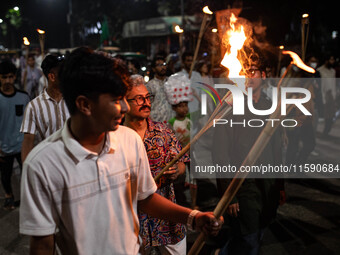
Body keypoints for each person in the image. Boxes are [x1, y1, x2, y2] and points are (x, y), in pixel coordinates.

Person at [19, 47, 223, 255]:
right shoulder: (41, 165)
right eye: (116, 100)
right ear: (84, 105)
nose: (125, 108)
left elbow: (146, 198)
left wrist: (193, 217)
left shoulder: (129, 140)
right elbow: (43, 245)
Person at [212, 53, 285, 255]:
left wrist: (280, 184)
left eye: (252, 71)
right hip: (243, 185)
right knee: (249, 238)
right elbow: (220, 152)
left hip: (267, 184)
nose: (247, 76)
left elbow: (276, 148)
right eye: (244, 71)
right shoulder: (230, 106)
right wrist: (229, 193)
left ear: (263, 75)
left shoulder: (270, 105)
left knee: (258, 233)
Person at [124, 74, 189, 255]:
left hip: (167, 217)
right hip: (133, 219)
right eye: (138, 99)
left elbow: (183, 163)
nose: (146, 103)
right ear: (124, 101)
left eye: (147, 98)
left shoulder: (163, 131)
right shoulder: (116, 136)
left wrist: (177, 170)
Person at [20, 54, 70, 162]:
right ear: (52, 77)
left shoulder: (74, 101)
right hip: (48, 164)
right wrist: (26, 170)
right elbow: (28, 142)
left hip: (73, 163)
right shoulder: (33, 107)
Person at [0, 60, 30, 210]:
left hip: (21, 145)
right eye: (4, 77)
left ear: (15, 77)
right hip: (3, 147)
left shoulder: (24, 97)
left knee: (27, 172)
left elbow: (30, 121)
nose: (7, 80)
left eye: (10, 77)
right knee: (5, 175)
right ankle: (9, 196)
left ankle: (26, 198)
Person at [146, 55, 174, 123]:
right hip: (156, 122)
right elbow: (147, 104)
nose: (163, 67)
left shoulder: (172, 82)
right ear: (153, 69)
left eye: (164, 64)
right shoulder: (150, 85)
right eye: (159, 65)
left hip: (171, 121)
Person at [317, 54, 337, 136]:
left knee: (331, 115)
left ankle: (326, 130)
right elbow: (321, 85)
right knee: (325, 114)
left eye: (333, 60)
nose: (332, 61)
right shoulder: (320, 70)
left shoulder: (333, 71)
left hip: (331, 95)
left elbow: (334, 83)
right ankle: (324, 131)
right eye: (330, 59)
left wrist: (334, 95)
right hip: (324, 94)